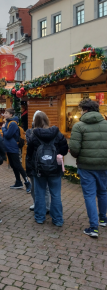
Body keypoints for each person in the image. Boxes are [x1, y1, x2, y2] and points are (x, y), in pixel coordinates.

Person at [69, 98, 107, 238]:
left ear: (85, 110)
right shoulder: (106, 124)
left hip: (86, 165)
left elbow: (74, 149)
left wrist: (77, 155)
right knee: (103, 192)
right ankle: (103, 219)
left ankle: (93, 227)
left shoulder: (79, 126)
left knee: (90, 195)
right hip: (104, 165)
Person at [27, 111, 68, 227]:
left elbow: (29, 154)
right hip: (55, 169)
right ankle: (58, 219)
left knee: (40, 193)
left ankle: (40, 217)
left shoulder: (34, 135)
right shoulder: (57, 133)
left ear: (36, 122)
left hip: (39, 169)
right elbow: (64, 150)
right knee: (55, 194)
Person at [26, 111, 50, 213]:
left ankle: (42, 208)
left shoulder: (32, 133)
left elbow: (30, 150)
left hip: (36, 163)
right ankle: (42, 206)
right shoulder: (30, 132)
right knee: (43, 188)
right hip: (47, 162)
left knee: (37, 187)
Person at [2, 108, 31, 193]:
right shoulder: (8, 123)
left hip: (13, 147)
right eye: (4, 113)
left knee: (18, 165)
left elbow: (7, 135)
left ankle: (27, 183)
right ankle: (18, 182)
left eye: (6, 113)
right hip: (9, 148)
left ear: (11, 115)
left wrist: (3, 129)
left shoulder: (13, 124)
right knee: (13, 165)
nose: (4, 114)